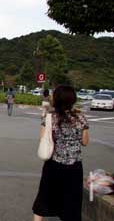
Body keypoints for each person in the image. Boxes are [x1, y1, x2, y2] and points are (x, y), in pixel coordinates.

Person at [32, 85, 89, 221]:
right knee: (72, 203)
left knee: (43, 199)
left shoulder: (50, 117)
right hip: (74, 167)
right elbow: (85, 142)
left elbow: (42, 138)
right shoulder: (80, 117)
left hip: (53, 165)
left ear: (56, 99)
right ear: (73, 99)